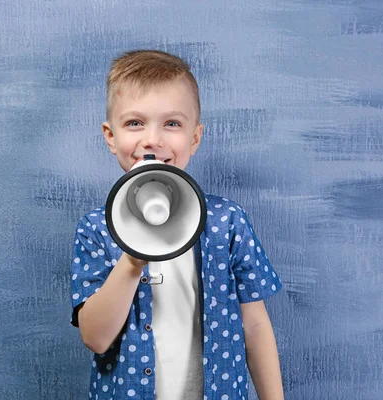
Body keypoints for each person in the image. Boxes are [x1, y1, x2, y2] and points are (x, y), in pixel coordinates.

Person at [70, 49, 284, 399]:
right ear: (110, 137)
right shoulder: (96, 229)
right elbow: (95, 338)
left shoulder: (226, 222)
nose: (153, 139)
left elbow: (255, 325)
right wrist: (132, 261)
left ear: (194, 138)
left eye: (172, 123)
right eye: (135, 123)